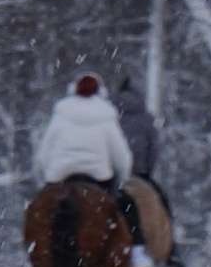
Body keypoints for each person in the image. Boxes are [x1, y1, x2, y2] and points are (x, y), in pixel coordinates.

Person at [36, 70, 139, 240]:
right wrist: (121, 180)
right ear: (101, 92)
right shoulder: (106, 116)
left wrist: (48, 177)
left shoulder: (60, 115)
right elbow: (122, 158)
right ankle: (137, 252)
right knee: (128, 207)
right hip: (98, 179)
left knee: (41, 214)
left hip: (60, 177)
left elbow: (44, 154)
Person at [113, 72, 186, 267]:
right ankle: (171, 252)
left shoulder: (109, 115)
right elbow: (153, 150)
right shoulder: (146, 118)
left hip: (113, 175)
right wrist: (145, 171)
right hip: (139, 173)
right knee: (162, 202)